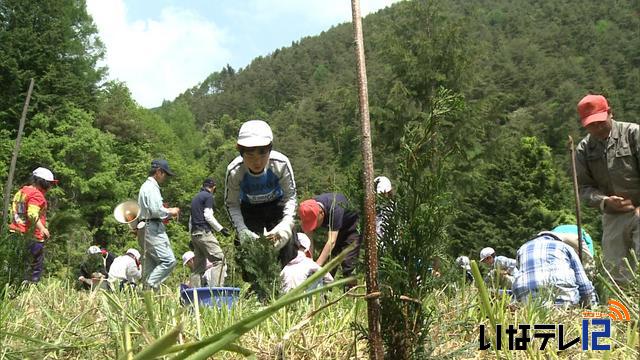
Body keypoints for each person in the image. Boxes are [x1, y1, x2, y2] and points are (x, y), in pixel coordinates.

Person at [574, 94, 640, 285]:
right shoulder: (584, 149)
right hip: (613, 215)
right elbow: (583, 188)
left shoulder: (633, 134)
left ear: (610, 113)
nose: (597, 128)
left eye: (600, 122)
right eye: (591, 125)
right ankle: (620, 314)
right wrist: (604, 201)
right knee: (615, 272)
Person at [224, 120, 298, 281]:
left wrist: (286, 225)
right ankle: (256, 293)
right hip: (249, 210)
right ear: (240, 151)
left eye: (262, 154)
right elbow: (232, 204)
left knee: (288, 248)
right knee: (249, 256)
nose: (256, 162)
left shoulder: (281, 164)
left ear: (270, 149)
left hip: (277, 207)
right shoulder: (234, 171)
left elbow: (290, 197)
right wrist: (242, 231)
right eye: (250, 155)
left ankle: (286, 288)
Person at [512, 233, 594, 307]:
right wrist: (591, 305)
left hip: (528, 304)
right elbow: (584, 285)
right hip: (563, 302)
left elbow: (516, 278)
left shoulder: (522, 249)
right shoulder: (565, 247)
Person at [9, 167, 57, 284]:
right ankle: (29, 289)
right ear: (43, 182)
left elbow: (15, 211)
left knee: (17, 264)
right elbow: (32, 213)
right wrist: (43, 229)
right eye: (50, 184)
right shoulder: (37, 195)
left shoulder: (21, 192)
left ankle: (13, 286)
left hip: (15, 232)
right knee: (34, 268)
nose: (50, 187)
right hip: (32, 236)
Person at [137, 159, 180, 289]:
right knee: (168, 260)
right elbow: (156, 210)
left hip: (145, 227)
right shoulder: (151, 187)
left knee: (150, 265)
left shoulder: (146, 186)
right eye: (165, 174)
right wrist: (170, 211)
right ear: (159, 172)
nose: (165, 177)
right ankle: (150, 286)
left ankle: (146, 295)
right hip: (152, 228)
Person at [298, 193, 362, 280]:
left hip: (351, 228)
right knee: (328, 262)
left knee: (348, 262)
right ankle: (323, 290)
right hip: (334, 230)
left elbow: (331, 241)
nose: (314, 226)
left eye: (314, 222)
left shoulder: (335, 208)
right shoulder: (307, 210)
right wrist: (310, 263)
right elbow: (309, 241)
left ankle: (350, 289)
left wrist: (317, 265)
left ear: (321, 213)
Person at [189, 178, 229, 287]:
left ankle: (194, 295)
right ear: (213, 187)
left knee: (198, 268)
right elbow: (208, 216)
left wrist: (191, 238)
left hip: (195, 234)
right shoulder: (208, 196)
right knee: (220, 261)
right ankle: (216, 293)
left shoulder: (195, 198)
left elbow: (191, 220)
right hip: (204, 232)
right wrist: (221, 229)